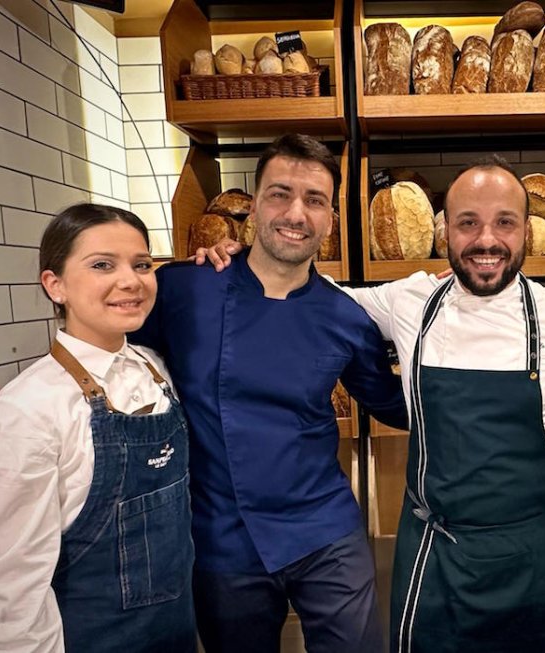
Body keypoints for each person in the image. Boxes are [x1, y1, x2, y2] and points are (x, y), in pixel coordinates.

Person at [198, 155, 545, 653]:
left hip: (535, 551)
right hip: (436, 553)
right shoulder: (411, 302)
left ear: (527, 233)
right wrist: (240, 258)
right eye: (468, 223)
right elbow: (306, 295)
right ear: (445, 230)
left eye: (505, 223)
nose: (486, 241)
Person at [129, 134, 408, 653]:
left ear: (331, 218)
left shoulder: (346, 318)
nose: (295, 213)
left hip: (324, 526)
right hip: (222, 534)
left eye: (315, 200)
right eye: (280, 194)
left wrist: (469, 357)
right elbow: (115, 361)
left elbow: (393, 404)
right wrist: (33, 407)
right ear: (254, 205)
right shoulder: (185, 288)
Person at [0, 204, 196, 653]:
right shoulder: (27, 407)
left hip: (175, 628)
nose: (130, 280)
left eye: (142, 264)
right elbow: (16, 581)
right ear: (54, 285)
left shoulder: (154, 368)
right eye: (102, 265)